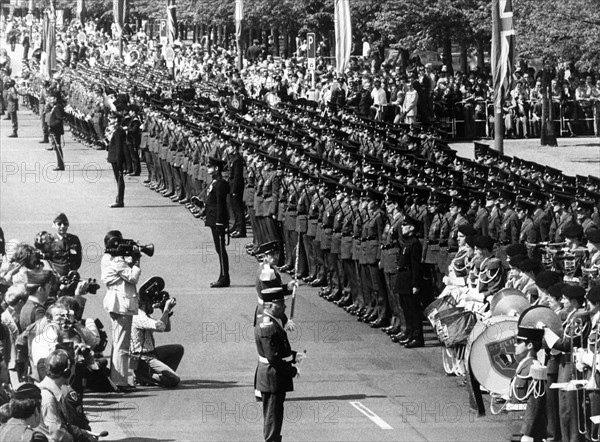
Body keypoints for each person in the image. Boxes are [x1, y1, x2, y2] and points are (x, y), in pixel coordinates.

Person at [254, 287, 302, 442]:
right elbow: (273, 357)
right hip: (272, 377)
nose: (284, 307)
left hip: (272, 376)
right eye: (281, 304)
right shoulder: (268, 326)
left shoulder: (272, 321)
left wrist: (294, 356)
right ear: (270, 305)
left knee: (275, 415)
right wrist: (291, 370)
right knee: (273, 418)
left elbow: (277, 349)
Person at [101, 230, 140, 392]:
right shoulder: (117, 261)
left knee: (117, 341)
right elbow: (132, 277)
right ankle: (120, 381)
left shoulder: (107, 258)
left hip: (114, 302)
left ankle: (116, 377)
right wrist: (136, 261)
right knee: (122, 344)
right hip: (121, 304)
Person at [130, 284, 182, 387]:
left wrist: (164, 310)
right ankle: (144, 377)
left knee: (177, 349)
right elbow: (160, 327)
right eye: (151, 303)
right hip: (143, 359)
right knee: (174, 380)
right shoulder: (139, 317)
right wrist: (166, 310)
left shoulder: (145, 315)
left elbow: (166, 328)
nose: (153, 305)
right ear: (144, 303)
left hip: (152, 353)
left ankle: (161, 373)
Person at [507, 326, 547, 442]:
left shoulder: (534, 368)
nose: (515, 345)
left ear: (530, 346)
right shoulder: (523, 366)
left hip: (527, 431)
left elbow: (535, 403)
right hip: (516, 427)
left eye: (519, 342)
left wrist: (528, 433)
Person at [204, 156, 230, 288]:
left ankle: (225, 277)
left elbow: (221, 204)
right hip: (213, 218)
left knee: (221, 249)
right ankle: (222, 275)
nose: (208, 168)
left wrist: (220, 222)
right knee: (218, 249)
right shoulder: (214, 182)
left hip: (217, 221)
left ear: (217, 168)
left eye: (210, 166)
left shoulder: (220, 184)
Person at [50, 213, 82, 277]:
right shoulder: (50, 241)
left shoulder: (74, 239)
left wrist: (74, 269)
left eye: (65, 224)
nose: (62, 226)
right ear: (53, 225)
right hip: (56, 277)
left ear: (68, 225)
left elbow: (78, 258)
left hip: (73, 276)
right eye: (59, 224)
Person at [106, 112, 127, 208]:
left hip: (116, 158)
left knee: (119, 178)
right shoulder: (116, 130)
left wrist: (119, 161)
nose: (110, 120)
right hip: (114, 157)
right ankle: (119, 199)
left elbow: (119, 147)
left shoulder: (118, 131)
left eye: (112, 118)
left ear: (116, 120)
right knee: (118, 178)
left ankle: (119, 200)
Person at [47, 91, 66, 171]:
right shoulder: (55, 106)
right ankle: (60, 164)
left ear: (56, 98)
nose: (50, 99)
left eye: (52, 98)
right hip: (54, 129)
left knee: (58, 147)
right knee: (56, 147)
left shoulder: (57, 107)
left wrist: (52, 125)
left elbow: (59, 119)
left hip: (56, 130)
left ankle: (60, 165)